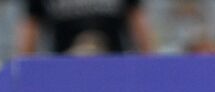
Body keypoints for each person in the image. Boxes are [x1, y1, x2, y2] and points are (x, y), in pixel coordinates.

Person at [17, 0, 155, 55]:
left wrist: (149, 58)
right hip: (63, 68)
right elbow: (31, 24)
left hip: (114, 65)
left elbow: (136, 18)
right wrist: (26, 65)